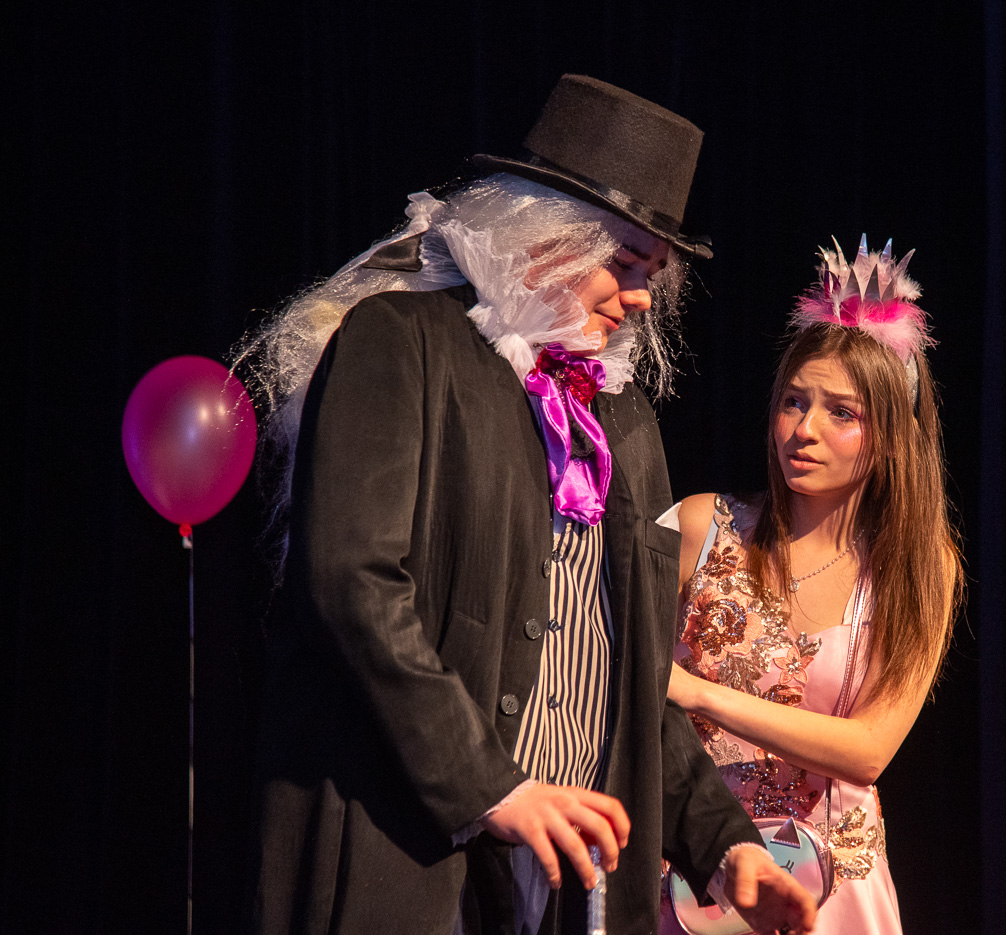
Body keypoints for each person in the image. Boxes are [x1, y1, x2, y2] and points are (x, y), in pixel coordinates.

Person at [240, 75, 815, 935]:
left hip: (564, 889)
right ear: (544, 240)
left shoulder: (623, 419)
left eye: (652, 275)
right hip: (408, 858)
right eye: (625, 263)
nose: (641, 298)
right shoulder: (401, 343)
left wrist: (724, 843)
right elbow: (351, 582)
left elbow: (631, 674)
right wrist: (492, 786)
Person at [662, 236, 963, 934]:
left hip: (834, 895)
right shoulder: (701, 526)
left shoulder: (915, 566)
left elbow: (868, 749)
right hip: (694, 880)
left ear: (891, 436)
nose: (804, 430)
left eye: (841, 413)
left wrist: (695, 691)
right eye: (794, 402)